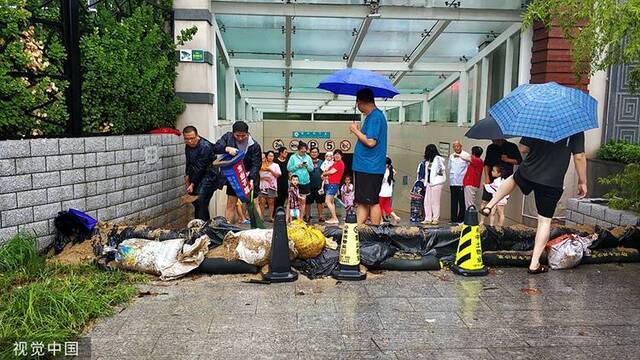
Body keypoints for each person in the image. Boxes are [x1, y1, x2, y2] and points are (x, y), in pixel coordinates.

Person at [482, 132, 587, 274]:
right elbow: (579, 157)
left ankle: (490, 205)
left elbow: (522, 148)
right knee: (544, 222)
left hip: (530, 170)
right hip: (552, 181)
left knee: (514, 179)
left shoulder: (538, 120)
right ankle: (534, 264)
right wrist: (582, 181)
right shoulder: (574, 128)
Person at [350, 88, 388, 225]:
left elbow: (371, 142)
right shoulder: (372, 117)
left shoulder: (375, 117)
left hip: (370, 166)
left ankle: (375, 232)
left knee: (371, 201)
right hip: (365, 166)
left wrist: (355, 131)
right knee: (362, 201)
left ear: (360, 102)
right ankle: (359, 229)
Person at [213, 121, 262, 224]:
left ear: (247, 134)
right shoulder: (227, 138)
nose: (240, 138)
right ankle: (226, 230)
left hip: (249, 177)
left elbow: (256, 164)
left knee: (254, 203)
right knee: (231, 204)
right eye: (237, 135)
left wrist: (252, 179)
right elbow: (215, 148)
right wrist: (226, 148)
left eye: (243, 135)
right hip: (234, 176)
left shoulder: (254, 145)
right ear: (233, 133)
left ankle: (259, 229)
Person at [183, 125, 222, 221]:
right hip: (197, 177)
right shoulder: (188, 146)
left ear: (197, 136)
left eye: (192, 138)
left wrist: (192, 183)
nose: (190, 141)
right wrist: (187, 176)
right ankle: (203, 226)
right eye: (186, 139)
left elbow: (200, 167)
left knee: (200, 201)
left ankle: (201, 227)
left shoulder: (205, 147)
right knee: (198, 203)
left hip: (209, 177)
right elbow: (189, 162)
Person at [481, 139, 522, 215]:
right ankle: (482, 222)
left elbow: (519, 161)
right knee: (485, 200)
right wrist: (486, 177)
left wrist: (507, 160)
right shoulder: (491, 147)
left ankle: (496, 225)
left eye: (494, 138)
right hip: (491, 177)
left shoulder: (512, 146)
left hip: (505, 179)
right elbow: (486, 163)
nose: (492, 140)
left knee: (499, 204)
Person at [420, 144, 446, 226]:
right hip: (429, 183)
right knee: (427, 201)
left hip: (437, 183)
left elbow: (441, 172)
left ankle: (435, 218)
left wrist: (436, 181)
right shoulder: (428, 161)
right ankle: (428, 218)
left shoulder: (438, 160)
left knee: (435, 201)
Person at [287, 141, 314, 220]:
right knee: (292, 200)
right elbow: (288, 168)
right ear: (298, 150)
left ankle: (301, 218)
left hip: (305, 181)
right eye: (302, 151)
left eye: (305, 151)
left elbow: (311, 169)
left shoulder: (308, 157)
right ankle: (291, 218)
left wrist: (307, 165)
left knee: (303, 201)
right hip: (295, 182)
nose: (303, 152)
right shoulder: (293, 157)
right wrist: (297, 166)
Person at [448, 140, 471, 224]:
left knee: (462, 201)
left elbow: (469, 167)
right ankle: (453, 218)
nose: (456, 148)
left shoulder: (466, 155)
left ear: (461, 146)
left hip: (461, 181)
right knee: (453, 201)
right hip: (453, 181)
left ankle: (461, 218)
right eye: (454, 146)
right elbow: (449, 167)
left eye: (457, 146)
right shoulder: (451, 156)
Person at [322, 149, 345, 224]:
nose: (337, 155)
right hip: (330, 183)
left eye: (339, 154)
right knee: (331, 202)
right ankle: (333, 217)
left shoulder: (339, 163)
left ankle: (335, 218)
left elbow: (331, 171)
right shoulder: (335, 163)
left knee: (327, 201)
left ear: (341, 156)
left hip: (333, 184)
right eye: (335, 154)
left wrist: (324, 174)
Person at [305, 147, 326, 223]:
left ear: (318, 153)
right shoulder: (306, 162)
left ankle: (321, 216)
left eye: (315, 152)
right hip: (308, 185)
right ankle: (307, 216)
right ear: (310, 153)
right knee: (307, 202)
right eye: (312, 152)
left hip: (319, 185)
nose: (314, 153)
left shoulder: (322, 162)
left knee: (319, 202)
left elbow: (325, 172)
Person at [259, 151, 281, 222]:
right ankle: (261, 217)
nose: (270, 157)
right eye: (269, 156)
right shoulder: (261, 164)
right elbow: (257, 175)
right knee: (262, 202)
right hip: (262, 186)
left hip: (272, 186)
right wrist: (263, 178)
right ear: (266, 157)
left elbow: (277, 175)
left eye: (272, 156)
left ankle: (270, 217)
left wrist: (270, 170)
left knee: (271, 202)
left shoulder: (276, 165)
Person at [379, 157, 401, 224]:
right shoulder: (391, 171)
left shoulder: (384, 172)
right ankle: (395, 217)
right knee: (387, 207)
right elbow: (395, 172)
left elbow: (381, 181)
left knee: (380, 207)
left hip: (382, 193)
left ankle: (381, 220)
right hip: (388, 193)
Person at [273, 146, 289, 214]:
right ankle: (275, 212)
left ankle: (281, 212)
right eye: (285, 152)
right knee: (277, 198)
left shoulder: (287, 161)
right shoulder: (275, 161)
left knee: (283, 197)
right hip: (277, 181)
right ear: (281, 153)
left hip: (285, 181)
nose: (286, 153)